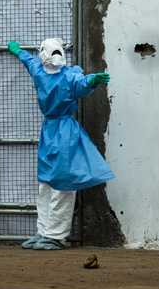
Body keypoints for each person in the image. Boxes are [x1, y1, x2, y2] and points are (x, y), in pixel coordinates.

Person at [7, 38, 115, 250]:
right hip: (51, 131)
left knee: (62, 183)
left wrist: (92, 80)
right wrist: (18, 51)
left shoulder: (67, 76)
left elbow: (81, 84)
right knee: (46, 183)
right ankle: (44, 231)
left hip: (64, 133)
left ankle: (56, 235)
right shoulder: (47, 73)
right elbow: (30, 62)